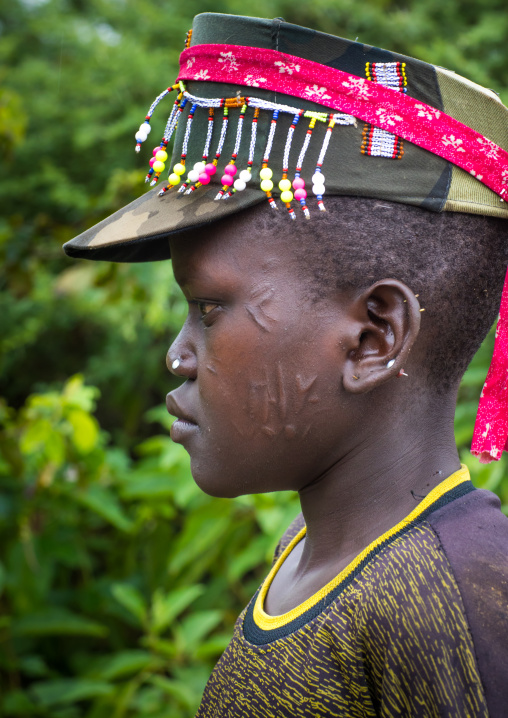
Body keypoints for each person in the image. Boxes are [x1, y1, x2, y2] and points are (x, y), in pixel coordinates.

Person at [64, 12, 508, 717]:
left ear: (372, 339)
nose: (176, 355)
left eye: (209, 309)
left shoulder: (453, 599)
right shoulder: (310, 549)